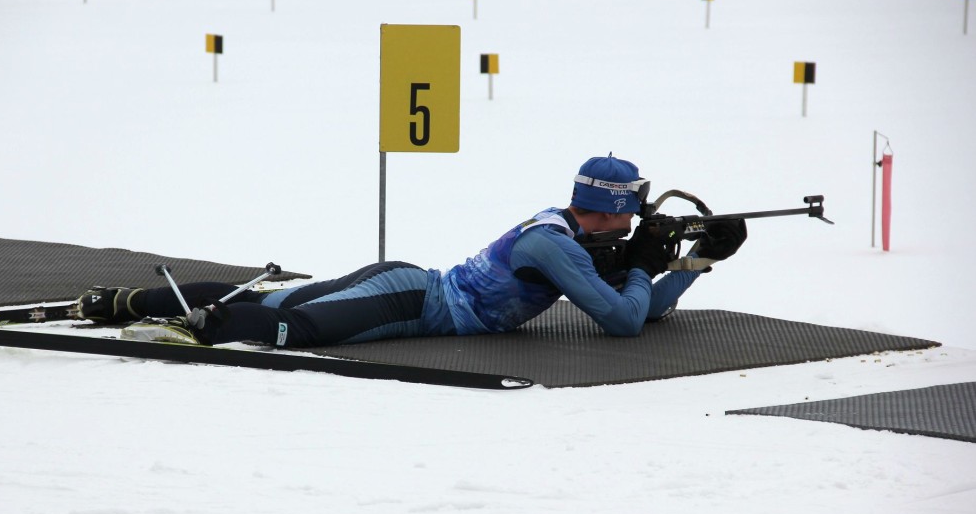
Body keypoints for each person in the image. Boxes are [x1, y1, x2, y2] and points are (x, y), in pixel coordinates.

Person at [76, 154, 746, 347]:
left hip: (406, 280)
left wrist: (692, 264)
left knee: (272, 298)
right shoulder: (558, 249)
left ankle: (119, 302)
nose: (638, 227)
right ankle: (188, 325)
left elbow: (647, 308)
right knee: (295, 325)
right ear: (613, 211)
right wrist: (640, 266)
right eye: (634, 216)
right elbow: (625, 319)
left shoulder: (571, 234)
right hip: (414, 300)